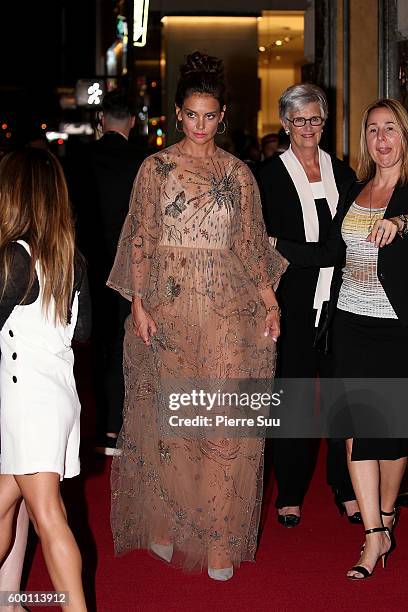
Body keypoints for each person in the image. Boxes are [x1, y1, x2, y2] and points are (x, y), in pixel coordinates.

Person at [107, 51, 287, 581]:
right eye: (193, 115)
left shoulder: (239, 174)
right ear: (178, 114)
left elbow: (252, 247)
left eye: (211, 116)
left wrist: (270, 302)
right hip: (170, 307)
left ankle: (218, 540)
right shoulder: (155, 169)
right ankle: (166, 523)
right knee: (173, 422)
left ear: (222, 117)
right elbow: (140, 238)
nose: (202, 125)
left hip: (230, 308)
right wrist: (139, 302)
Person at [276, 98, 408, 578]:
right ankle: (373, 536)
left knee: (392, 435)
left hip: (396, 327)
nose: (381, 138)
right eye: (373, 130)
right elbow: (330, 250)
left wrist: (399, 222)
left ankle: (387, 515)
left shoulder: (407, 192)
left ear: (404, 135)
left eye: (390, 128)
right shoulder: (356, 189)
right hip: (349, 322)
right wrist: (274, 245)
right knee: (352, 429)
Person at [258, 83, 359, 527]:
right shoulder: (267, 176)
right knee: (294, 398)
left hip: (342, 299)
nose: (308, 128)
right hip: (290, 303)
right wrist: (288, 250)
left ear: (324, 122)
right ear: (284, 124)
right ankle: (291, 492)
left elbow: (340, 248)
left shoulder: (343, 174)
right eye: (298, 120)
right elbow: (258, 248)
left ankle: (346, 487)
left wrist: (285, 245)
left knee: (342, 398)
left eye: (315, 119)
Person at [0, 147, 91, 609]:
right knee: (3, 506)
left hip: (25, 401)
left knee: (49, 516)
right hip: (57, 397)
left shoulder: (13, 258)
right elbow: (85, 331)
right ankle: (7, 600)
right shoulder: (70, 258)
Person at [68, 88, 146, 455]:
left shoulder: (80, 159)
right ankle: (119, 423)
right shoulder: (145, 160)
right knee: (124, 342)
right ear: (133, 120)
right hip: (132, 262)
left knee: (93, 344)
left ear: (101, 121)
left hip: (89, 261)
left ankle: (99, 425)